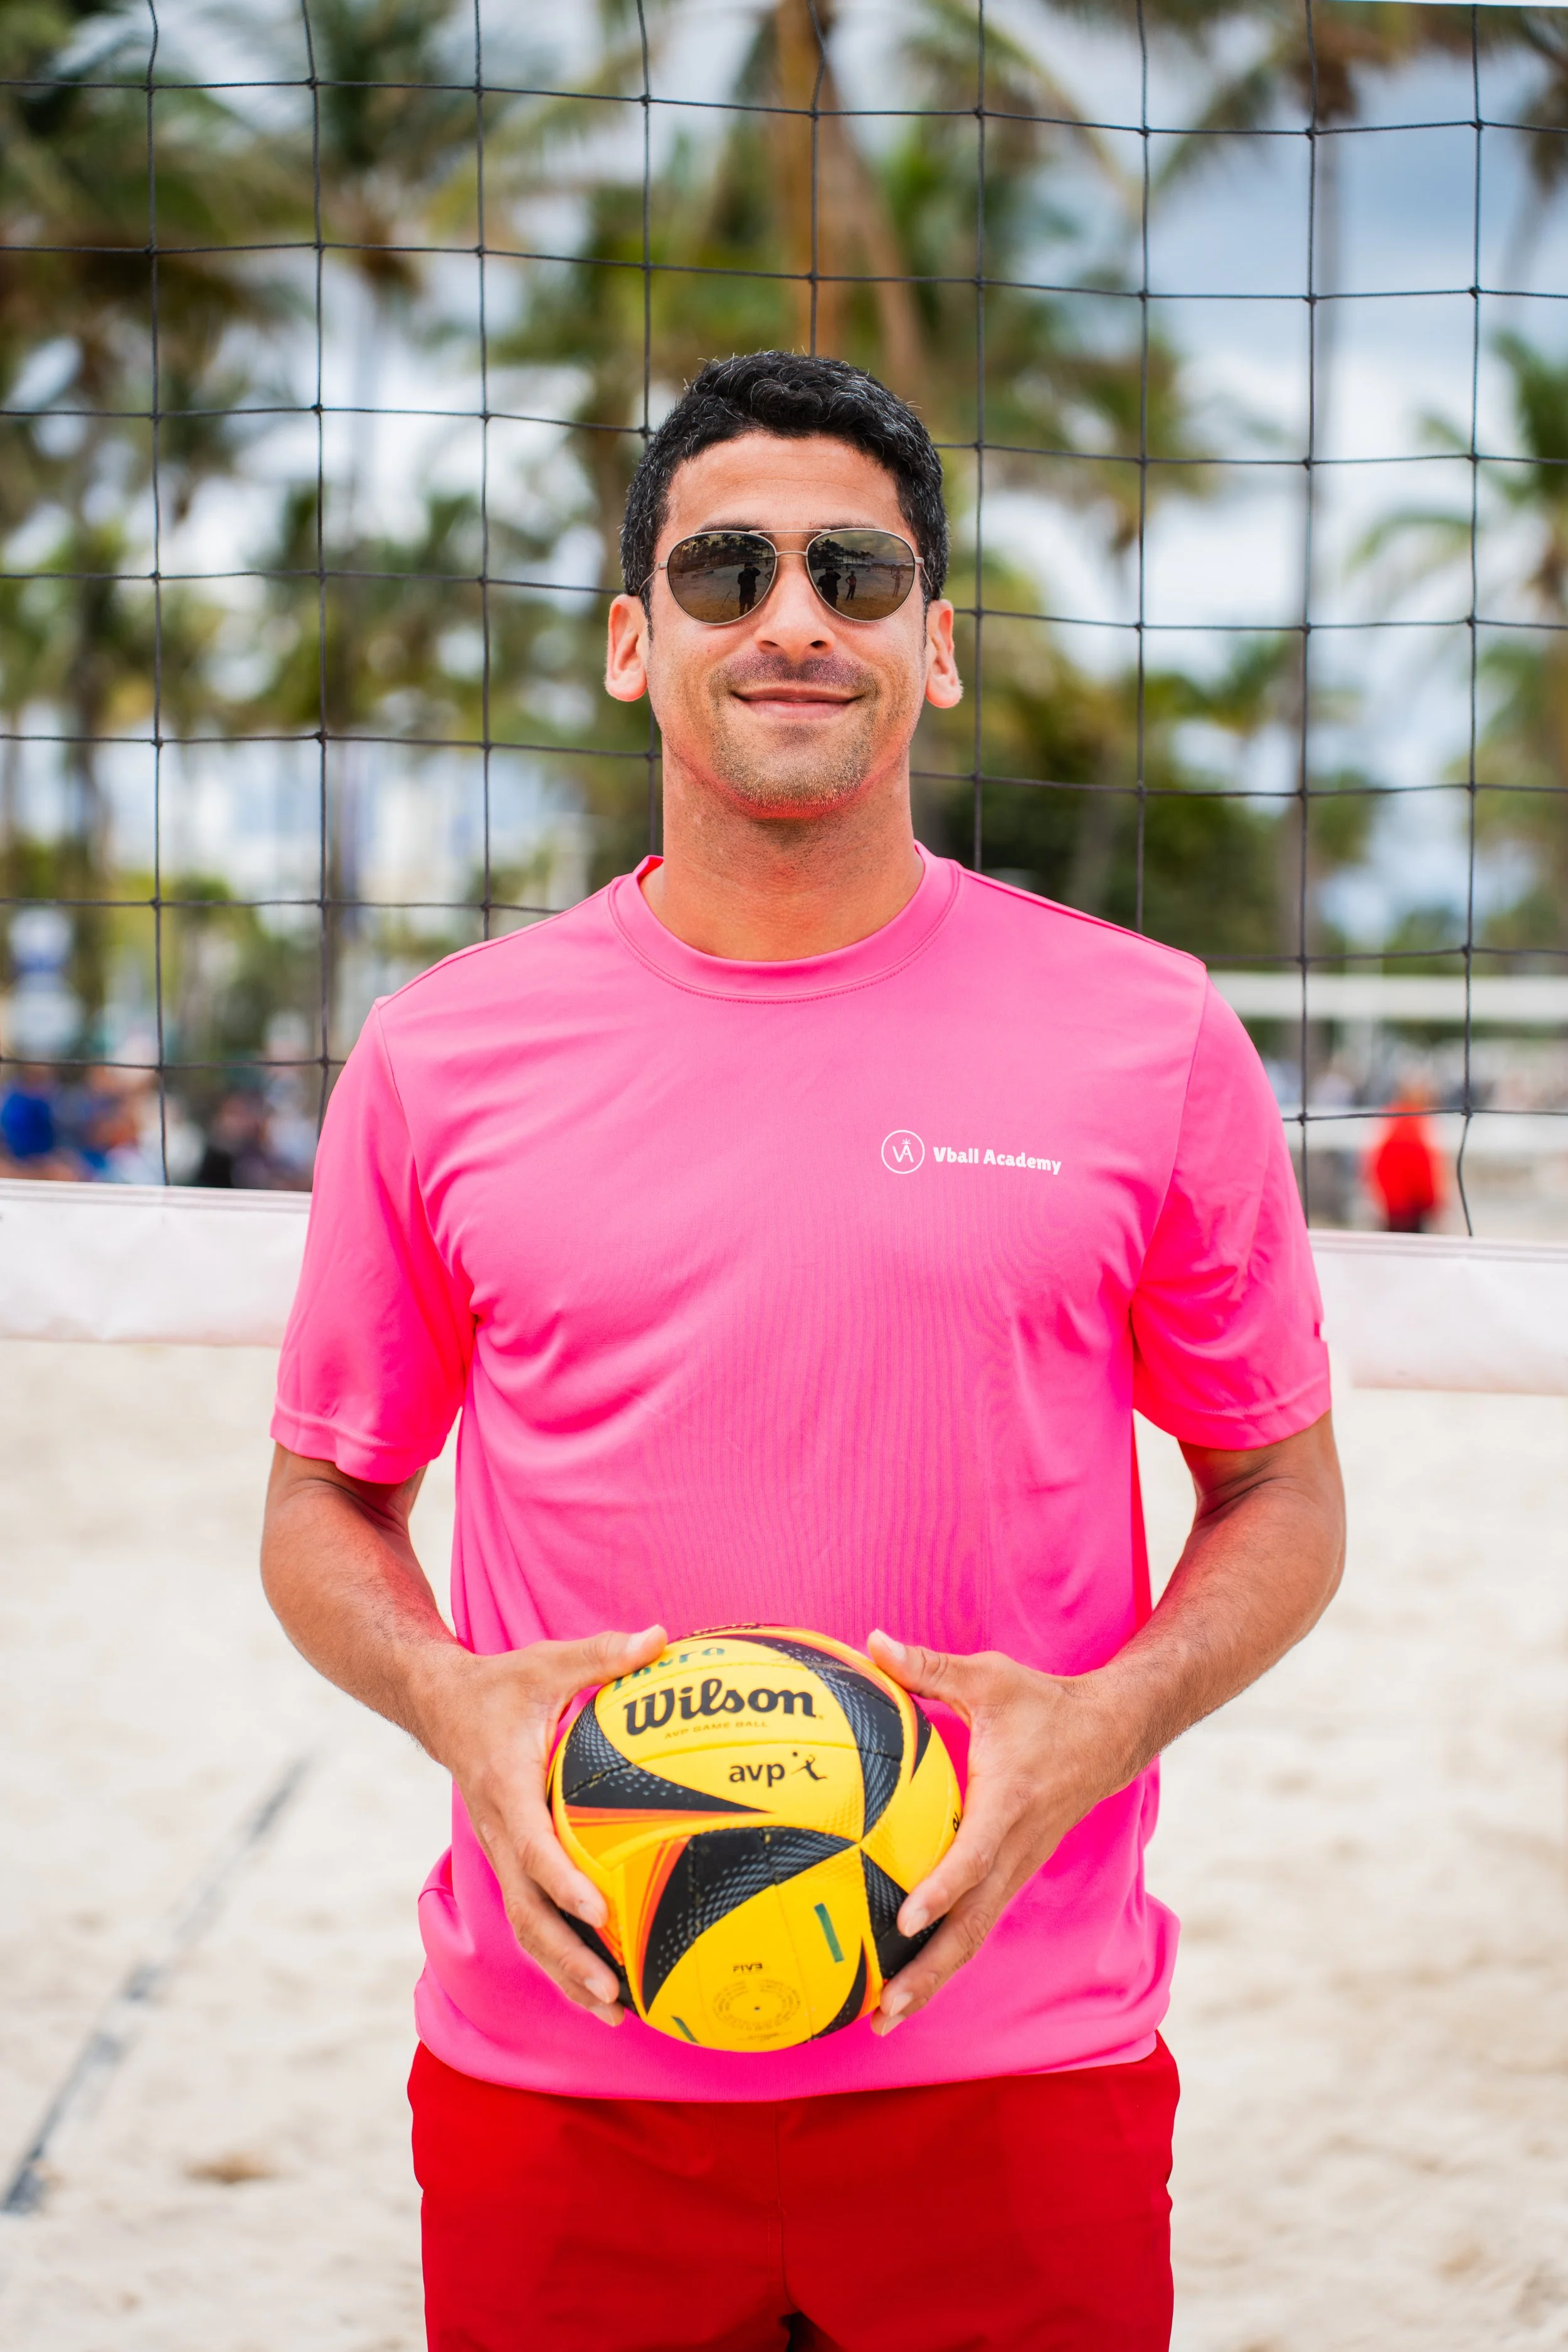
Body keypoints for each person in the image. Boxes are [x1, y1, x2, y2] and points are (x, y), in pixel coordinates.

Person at [262, 351, 1344, 2352]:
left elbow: (1276, 1489)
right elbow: (325, 1496)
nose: (790, 617)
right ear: (629, 640)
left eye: (854, 572)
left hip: (1012, 2059)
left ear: (936, 646)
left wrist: (1104, 1720)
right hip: (563, 2063)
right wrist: (450, 1696)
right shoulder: (439, 1053)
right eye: (724, 569)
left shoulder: (1150, 1032)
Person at [1368, 1089, 1442, 1234]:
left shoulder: (1387, 1118)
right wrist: (1432, 1204)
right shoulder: (1421, 1123)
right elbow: (1426, 1169)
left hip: (1391, 1206)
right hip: (1413, 1208)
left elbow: (1374, 1165)